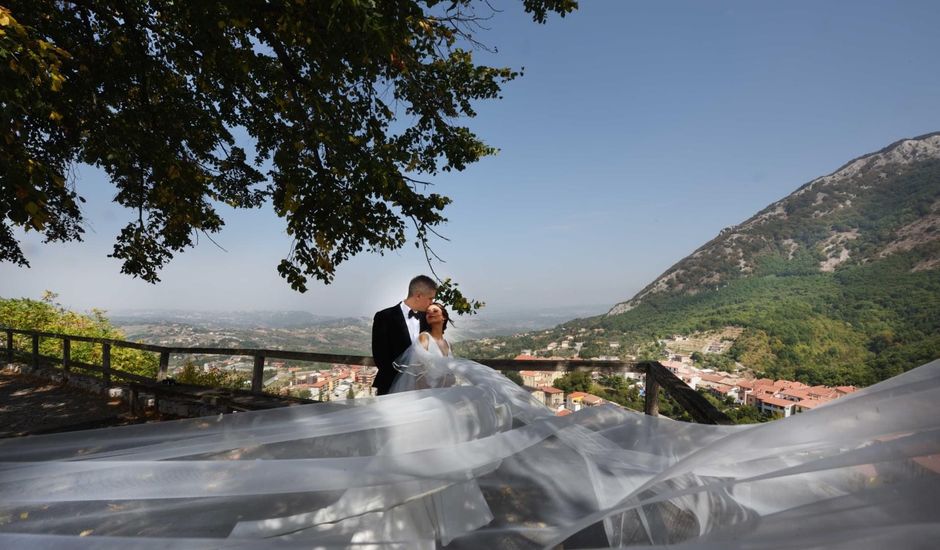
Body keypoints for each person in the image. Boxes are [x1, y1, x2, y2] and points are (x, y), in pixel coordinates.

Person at [371, 275, 437, 395]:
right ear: (418, 296)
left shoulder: (427, 319)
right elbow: (380, 358)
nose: (431, 303)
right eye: (430, 298)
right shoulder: (384, 317)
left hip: (421, 390)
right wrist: (404, 382)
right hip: (391, 387)